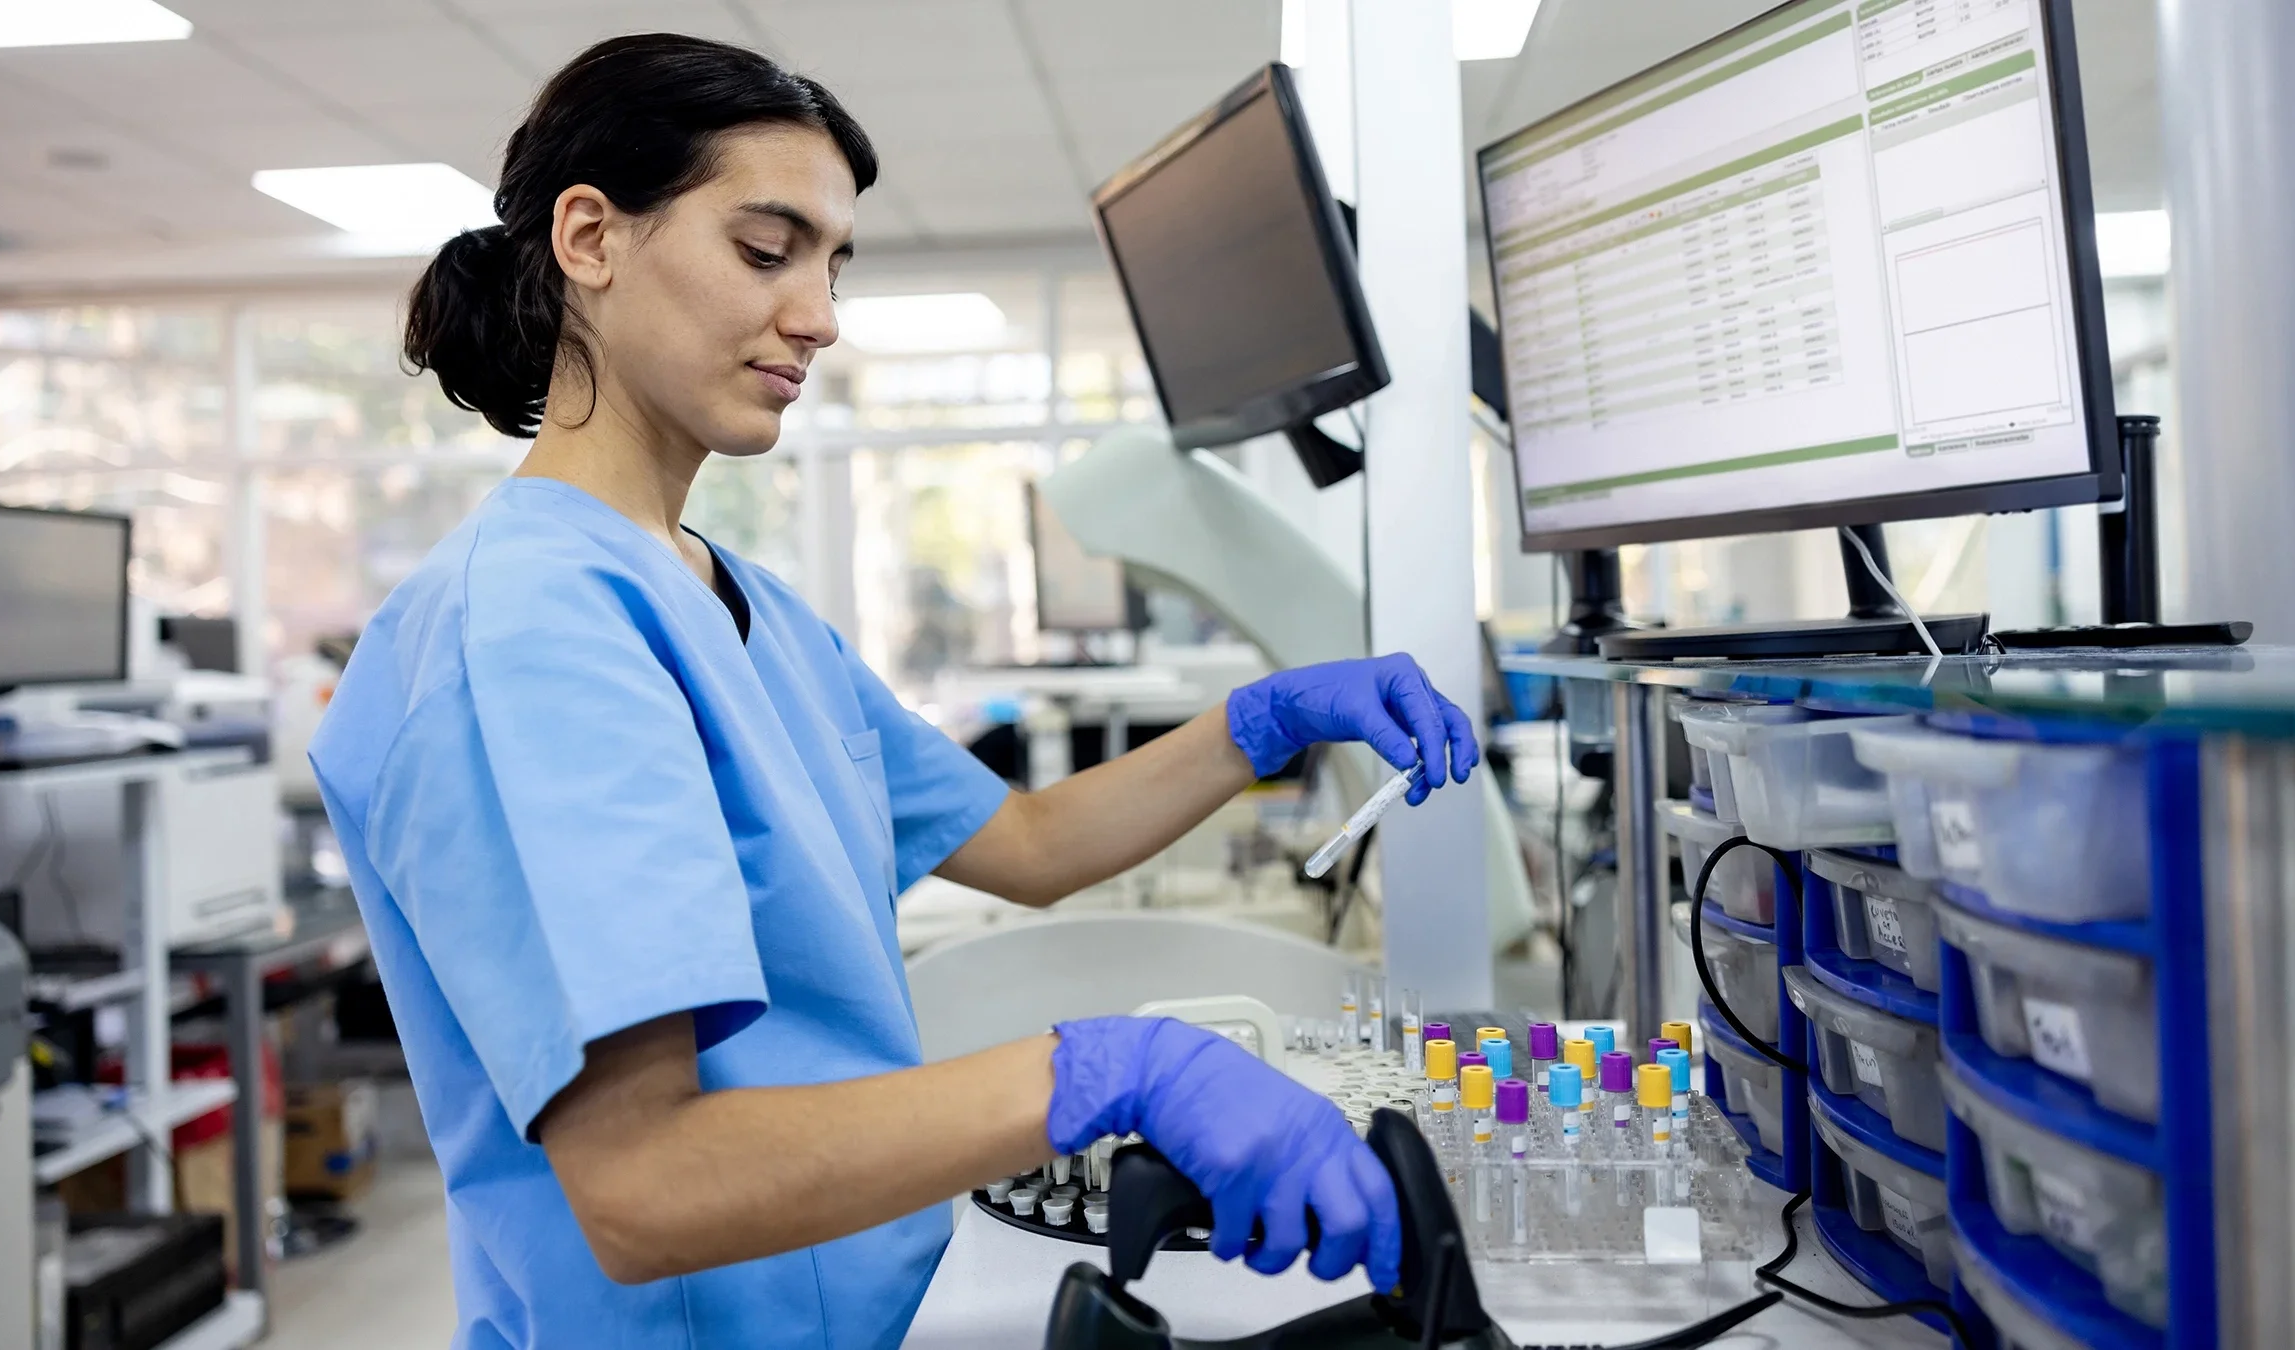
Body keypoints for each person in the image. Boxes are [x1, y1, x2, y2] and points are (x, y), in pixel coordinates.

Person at [309, 33, 1479, 1350]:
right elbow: (646, 1186)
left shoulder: (729, 597)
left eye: (830, 264)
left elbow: (1027, 844)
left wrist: (1262, 720)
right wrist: (1109, 1074)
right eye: (766, 249)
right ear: (590, 238)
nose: (817, 313)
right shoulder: (527, 630)